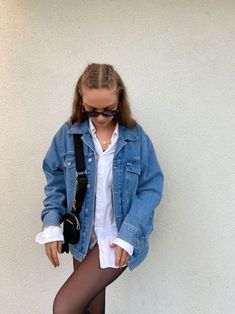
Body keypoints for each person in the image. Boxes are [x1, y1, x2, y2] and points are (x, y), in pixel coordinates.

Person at [35, 63, 164, 314]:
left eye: (108, 110)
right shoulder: (68, 134)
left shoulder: (135, 138)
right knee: (92, 308)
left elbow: (150, 187)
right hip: (82, 237)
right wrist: (51, 224)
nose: (101, 117)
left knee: (65, 306)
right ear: (81, 103)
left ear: (120, 102)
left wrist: (129, 234)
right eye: (92, 111)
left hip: (118, 238)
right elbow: (56, 181)